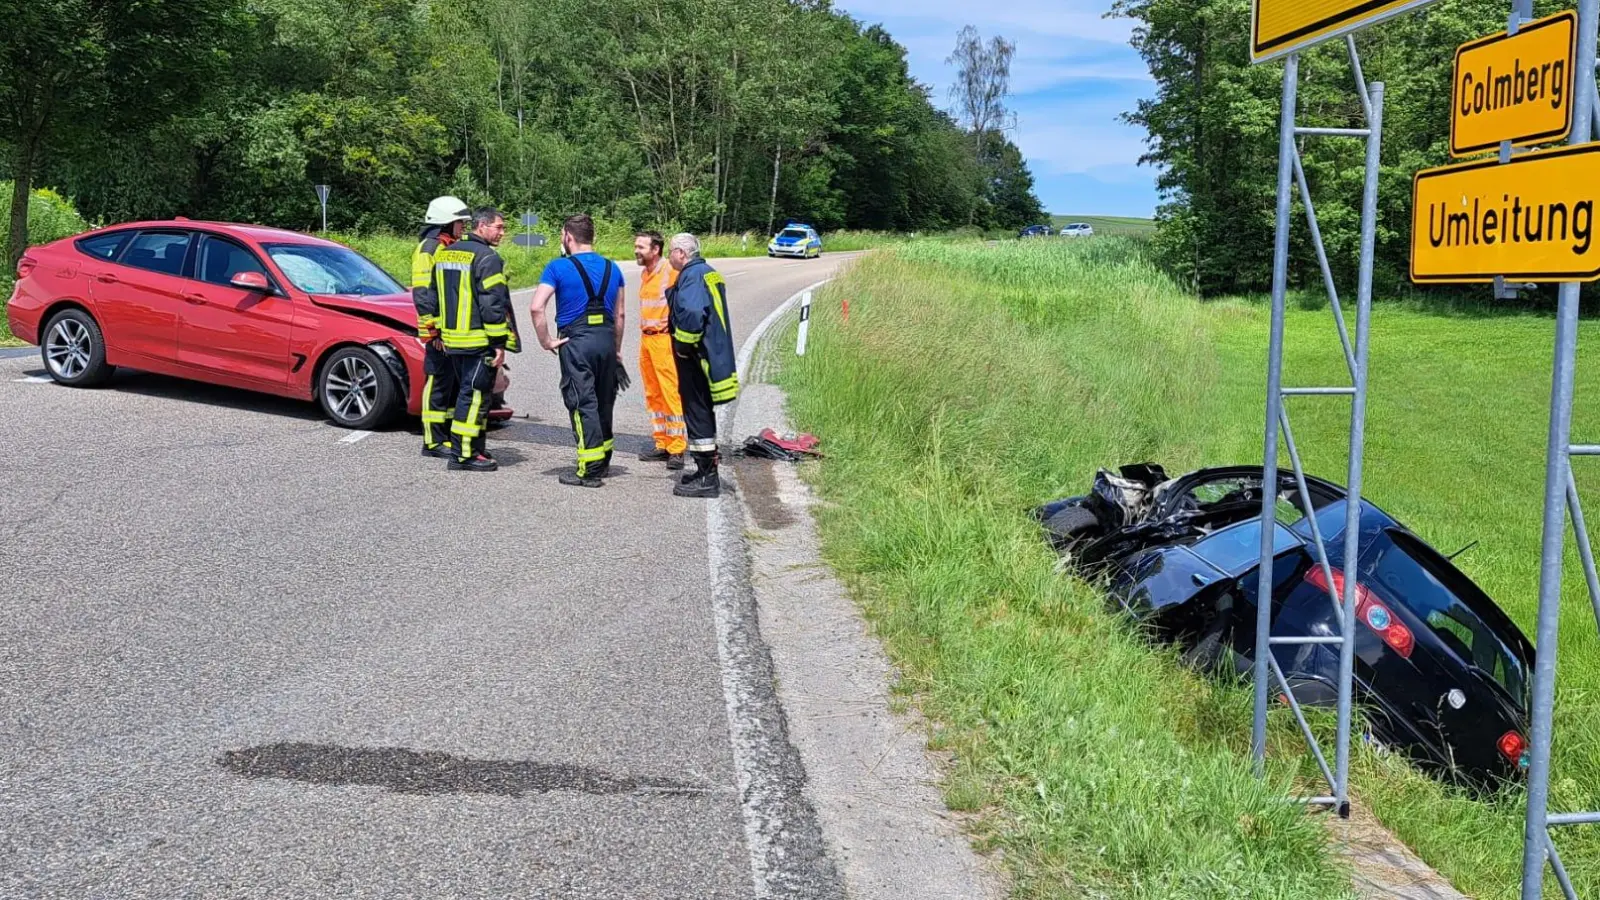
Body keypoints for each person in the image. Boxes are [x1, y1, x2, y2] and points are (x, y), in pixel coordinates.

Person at [530, 214, 626, 488]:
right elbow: (619, 314)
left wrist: (546, 340)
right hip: (606, 341)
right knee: (604, 400)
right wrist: (616, 350)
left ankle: (589, 469)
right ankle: (603, 459)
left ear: (567, 236)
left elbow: (537, 306)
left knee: (582, 401)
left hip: (576, 342)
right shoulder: (613, 268)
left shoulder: (557, 267)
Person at [433, 207, 517, 472]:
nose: (503, 233)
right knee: (474, 397)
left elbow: (433, 295)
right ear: (482, 226)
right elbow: (492, 304)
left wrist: (437, 331)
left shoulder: (446, 253)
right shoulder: (487, 257)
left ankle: (473, 447)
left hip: (453, 339)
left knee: (465, 395)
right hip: (478, 340)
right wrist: (498, 343)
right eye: (499, 227)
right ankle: (464, 454)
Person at [666, 232, 738, 498]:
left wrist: (683, 347)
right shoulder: (709, 272)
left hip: (697, 358)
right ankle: (703, 469)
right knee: (701, 413)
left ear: (681, 254)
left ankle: (708, 477)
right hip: (711, 354)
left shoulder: (692, 275)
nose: (668, 256)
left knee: (697, 412)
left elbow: (693, 313)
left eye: (671, 251)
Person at [411, 195, 472, 458]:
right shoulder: (429, 250)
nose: (463, 227)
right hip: (438, 331)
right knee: (437, 382)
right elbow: (424, 294)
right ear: (445, 223)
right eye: (459, 223)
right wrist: (433, 331)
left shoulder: (450, 246)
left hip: (452, 330)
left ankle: (443, 434)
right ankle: (432, 440)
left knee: (450, 383)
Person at [633, 230, 685, 470]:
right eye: (636, 246)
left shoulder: (670, 271)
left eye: (641, 247)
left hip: (664, 340)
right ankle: (661, 443)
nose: (636, 250)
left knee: (670, 393)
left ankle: (677, 448)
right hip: (647, 341)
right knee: (653, 394)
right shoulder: (646, 273)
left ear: (656, 250)